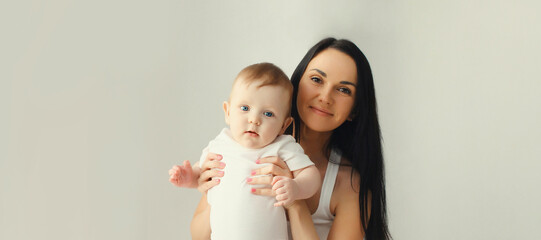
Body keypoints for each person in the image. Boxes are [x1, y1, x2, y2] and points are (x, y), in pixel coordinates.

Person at [193, 38, 391, 240]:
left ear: (354, 110)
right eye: (316, 79)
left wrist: (295, 200)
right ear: (297, 84)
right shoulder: (244, 147)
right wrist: (218, 189)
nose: (325, 97)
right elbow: (199, 236)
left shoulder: (349, 186)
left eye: (343, 90)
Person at [169, 63, 321, 240]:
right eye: (245, 108)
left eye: (268, 114)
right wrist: (189, 177)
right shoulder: (220, 143)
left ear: (283, 125)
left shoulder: (281, 146)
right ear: (227, 112)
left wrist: (297, 187)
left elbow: (312, 175)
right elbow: (201, 175)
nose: (254, 119)